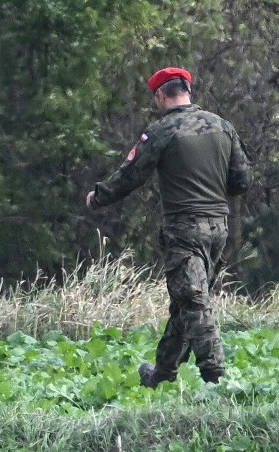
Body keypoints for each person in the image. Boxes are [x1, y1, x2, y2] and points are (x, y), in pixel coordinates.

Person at [85, 67, 252, 387]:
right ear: (188, 90)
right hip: (218, 229)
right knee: (186, 303)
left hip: (183, 230)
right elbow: (242, 180)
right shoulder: (222, 126)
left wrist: (98, 198)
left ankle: (214, 376)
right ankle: (161, 375)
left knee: (193, 301)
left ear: (161, 95)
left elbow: (131, 175)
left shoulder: (162, 131)